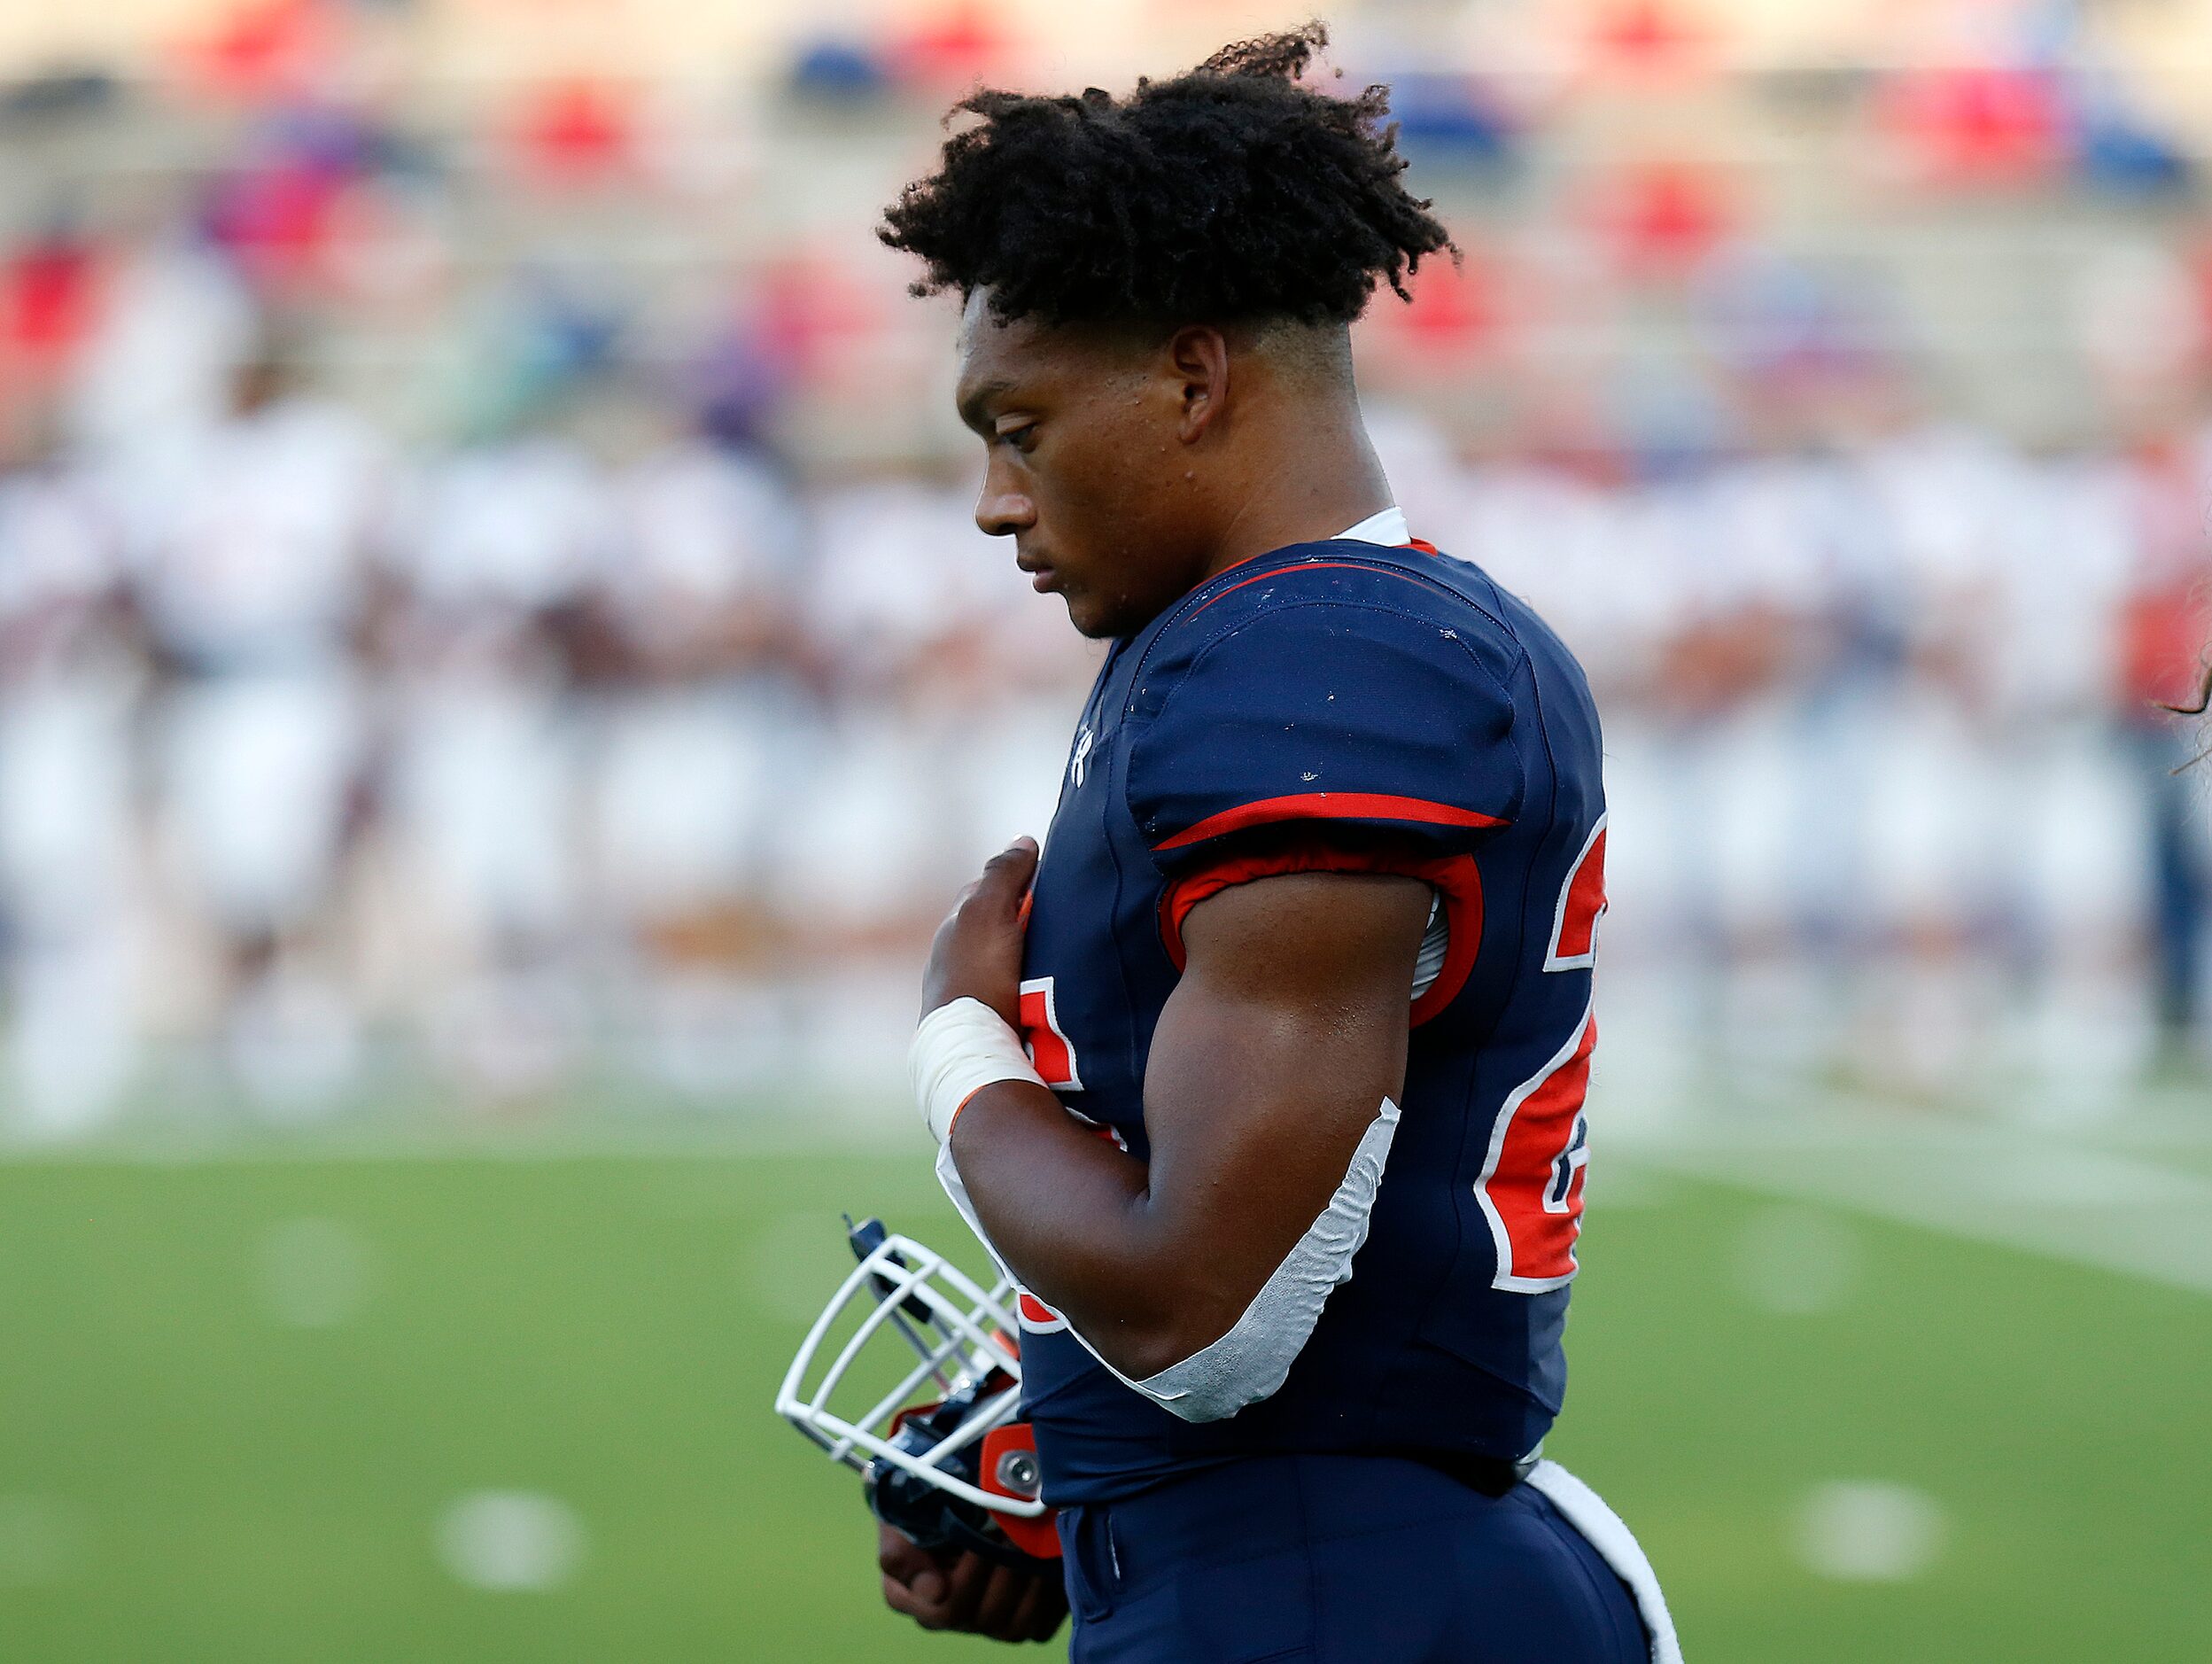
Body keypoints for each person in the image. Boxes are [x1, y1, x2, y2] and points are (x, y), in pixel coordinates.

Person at [884, 27, 1674, 1660]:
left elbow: (1200, 1314)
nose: (991, 500)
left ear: (1191, 376)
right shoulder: (1263, 642)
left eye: (1018, 426)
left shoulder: (1315, 662)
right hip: (1305, 1559)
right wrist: (1081, 1480)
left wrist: (962, 1056)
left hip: (1328, 1590)